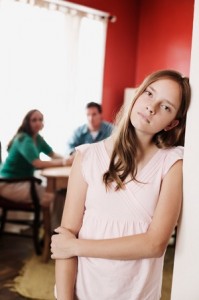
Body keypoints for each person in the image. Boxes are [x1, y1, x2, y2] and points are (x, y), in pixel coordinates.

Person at [51, 70, 191, 300]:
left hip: (137, 294)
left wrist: (76, 247)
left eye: (165, 107)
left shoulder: (172, 163)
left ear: (171, 123)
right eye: (149, 94)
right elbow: (67, 236)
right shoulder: (87, 156)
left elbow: (154, 244)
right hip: (84, 292)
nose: (151, 107)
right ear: (137, 95)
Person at [0, 109, 69, 206]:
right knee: (55, 194)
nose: (38, 122)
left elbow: (53, 155)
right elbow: (37, 163)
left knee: (59, 192)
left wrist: (68, 159)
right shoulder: (24, 139)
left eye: (40, 120)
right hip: (9, 183)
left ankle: (57, 221)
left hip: (21, 181)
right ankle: (55, 221)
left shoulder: (38, 138)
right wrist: (64, 162)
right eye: (34, 120)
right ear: (27, 122)